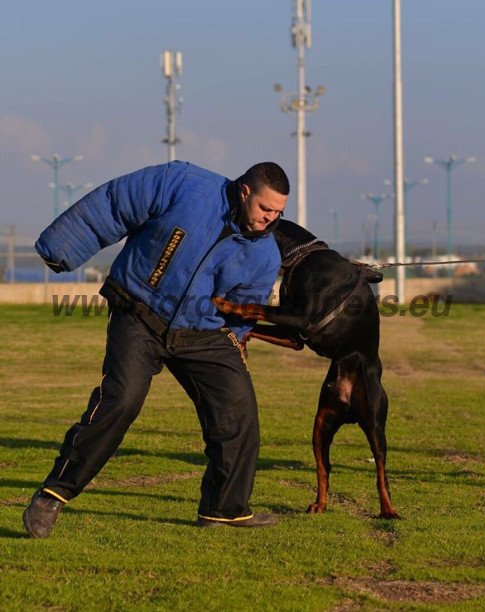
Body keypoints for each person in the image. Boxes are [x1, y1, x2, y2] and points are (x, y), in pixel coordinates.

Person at [23, 160, 289, 537]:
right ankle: (52, 495)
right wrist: (62, 247)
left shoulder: (265, 254)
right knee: (122, 400)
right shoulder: (184, 183)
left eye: (279, 212)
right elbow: (117, 202)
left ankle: (224, 508)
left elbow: (244, 309)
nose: (271, 218)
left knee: (238, 409)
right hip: (138, 310)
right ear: (245, 191)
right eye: (266, 209)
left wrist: (232, 341)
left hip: (201, 331)